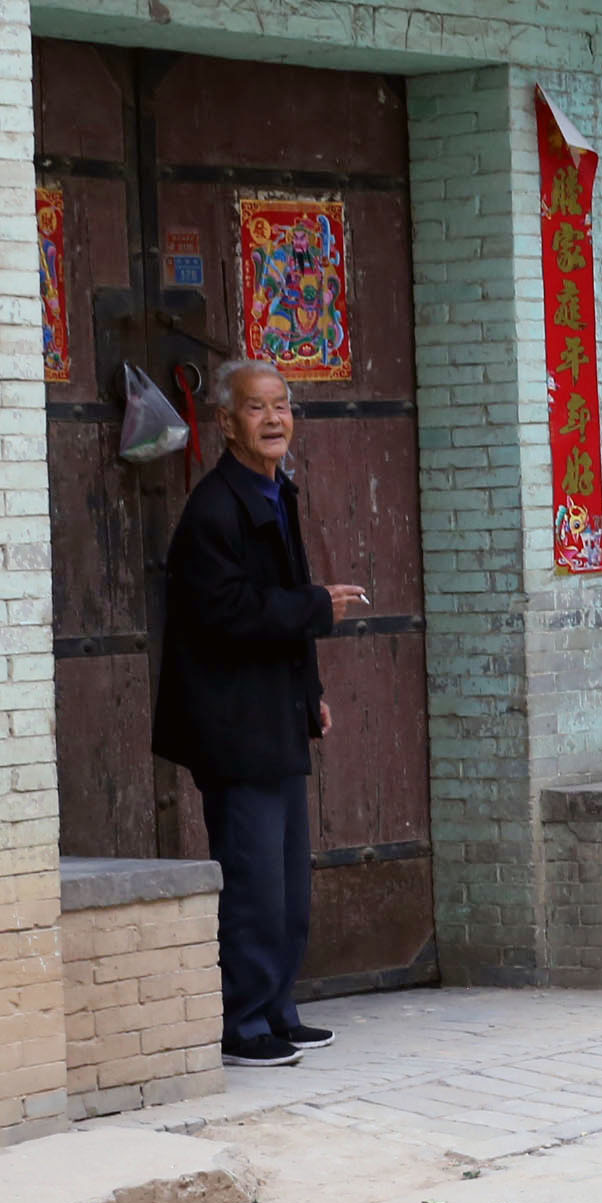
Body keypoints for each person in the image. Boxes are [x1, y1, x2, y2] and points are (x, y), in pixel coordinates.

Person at [152, 358, 368, 1069]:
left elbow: (284, 615)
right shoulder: (214, 508)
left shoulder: (278, 492)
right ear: (226, 423)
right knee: (250, 883)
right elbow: (225, 614)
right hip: (232, 724)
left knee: (287, 883)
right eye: (255, 408)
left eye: (282, 406)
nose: (274, 419)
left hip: (274, 716)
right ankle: (244, 1026)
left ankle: (278, 1008)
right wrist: (316, 606)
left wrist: (312, 698)